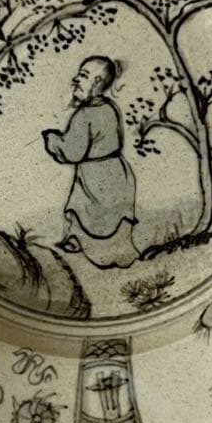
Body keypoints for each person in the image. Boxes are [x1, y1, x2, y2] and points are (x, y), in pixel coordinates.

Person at [42, 56, 138, 268]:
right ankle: (119, 253)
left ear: (96, 82)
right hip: (119, 172)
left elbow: (72, 152)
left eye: (83, 76)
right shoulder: (110, 107)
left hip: (95, 175)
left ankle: (83, 248)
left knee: (81, 208)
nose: (76, 79)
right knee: (116, 214)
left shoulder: (84, 115)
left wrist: (52, 140)